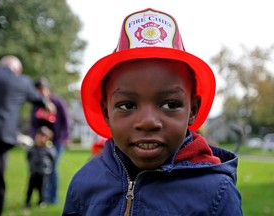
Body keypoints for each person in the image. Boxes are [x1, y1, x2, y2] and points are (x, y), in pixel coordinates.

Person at [63, 8, 243, 215]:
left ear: (192, 110)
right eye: (127, 106)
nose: (148, 121)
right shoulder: (84, 184)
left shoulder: (217, 193)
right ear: (106, 113)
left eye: (170, 105)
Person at [0, 55, 50, 216]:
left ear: (1, 65)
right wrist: (48, 104)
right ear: (17, 69)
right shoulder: (22, 81)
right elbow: (39, 99)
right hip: (2, 134)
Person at [30, 77, 71, 204]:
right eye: (37, 91)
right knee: (42, 169)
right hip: (41, 142)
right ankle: (44, 197)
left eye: (42, 89)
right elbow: (33, 124)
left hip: (57, 141)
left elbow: (66, 121)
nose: (40, 93)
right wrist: (34, 137)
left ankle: (52, 198)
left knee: (52, 167)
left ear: (47, 89)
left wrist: (65, 137)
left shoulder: (58, 102)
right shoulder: (37, 105)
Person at [24, 126, 56, 209]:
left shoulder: (48, 149)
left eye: (44, 137)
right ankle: (27, 202)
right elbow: (28, 157)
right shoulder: (32, 148)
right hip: (34, 171)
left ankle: (41, 201)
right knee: (30, 188)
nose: (41, 139)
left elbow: (53, 158)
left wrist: (47, 167)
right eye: (39, 136)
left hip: (44, 172)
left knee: (42, 188)